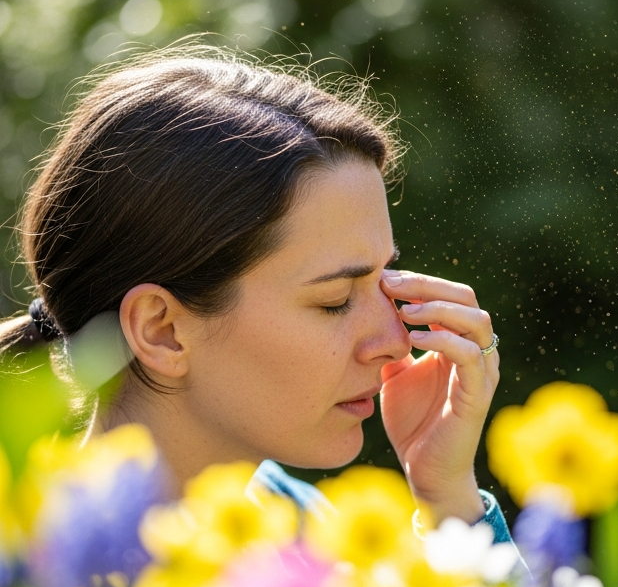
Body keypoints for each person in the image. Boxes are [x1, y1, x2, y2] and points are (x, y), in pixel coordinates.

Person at [0, 43, 511, 543]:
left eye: (384, 280)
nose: (399, 342)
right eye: (334, 299)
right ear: (162, 330)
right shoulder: (27, 578)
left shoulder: (317, 538)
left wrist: (448, 499)